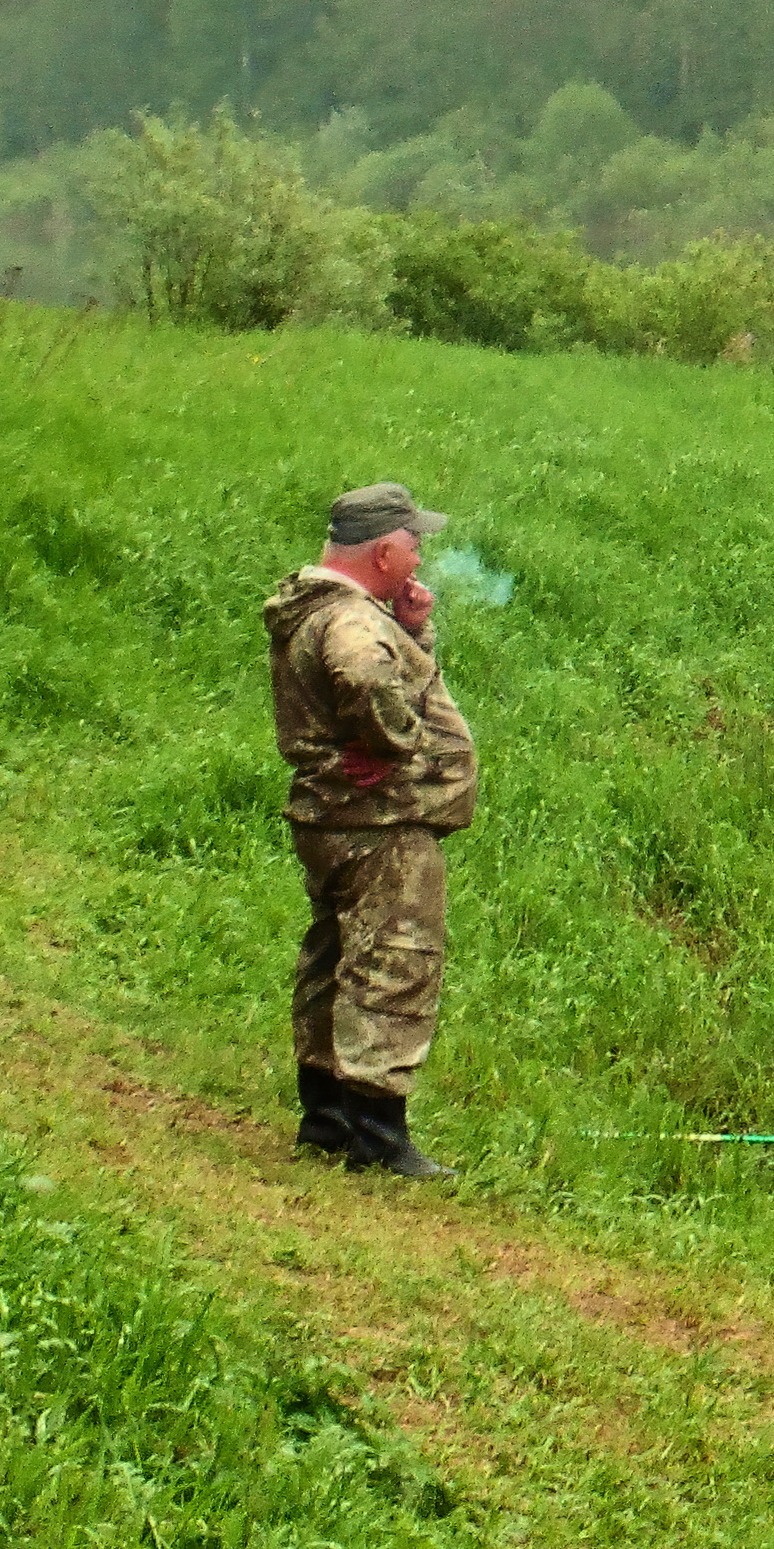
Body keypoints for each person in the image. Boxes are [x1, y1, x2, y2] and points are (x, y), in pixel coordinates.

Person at [264, 481, 480, 1178]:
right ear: (385, 549)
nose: (419, 560)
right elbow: (364, 676)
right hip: (380, 825)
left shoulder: (324, 609)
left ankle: (325, 1117)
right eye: (414, 546)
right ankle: (377, 1136)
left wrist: (413, 632)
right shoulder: (353, 623)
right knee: (394, 962)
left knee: (335, 958)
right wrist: (394, 740)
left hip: (336, 820)